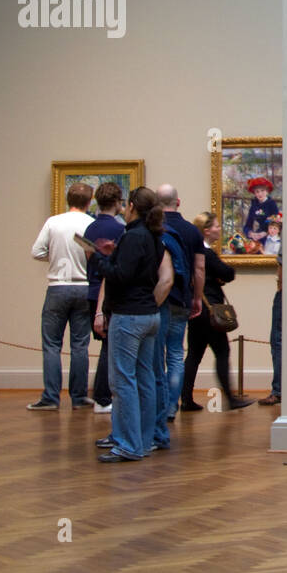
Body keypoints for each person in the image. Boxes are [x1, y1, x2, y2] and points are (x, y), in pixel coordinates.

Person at [92, 186, 173, 462]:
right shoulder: (153, 236)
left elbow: (120, 275)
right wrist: (113, 252)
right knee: (146, 379)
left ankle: (128, 444)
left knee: (123, 381)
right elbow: (139, 270)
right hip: (150, 314)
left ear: (132, 207)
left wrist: (98, 259)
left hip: (129, 316)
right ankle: (145, 440)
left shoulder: (134, 235)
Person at [27, 182, 95, 411]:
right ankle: (79, 398)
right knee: (80, 345)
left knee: (52, 345)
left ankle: (51, 397)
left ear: (68, 199)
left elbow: (36, 251)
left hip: (58, 286)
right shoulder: (92, 224)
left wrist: (55, 258)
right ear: (89, 201)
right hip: (84, 286)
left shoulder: (53, 222)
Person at [183, 212, 255, 411]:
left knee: (194, 355)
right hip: (209, 309)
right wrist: (218, 276)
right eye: (215, 226)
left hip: (197, 310)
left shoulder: (191, 251)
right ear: (206, 230)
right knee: (222, 352)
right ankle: (231, 399)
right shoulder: (206, 253)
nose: (218, 229)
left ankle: (186, 398)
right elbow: (228, 273)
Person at [155, 185, 206, 430]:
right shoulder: (191, 231)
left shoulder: (153, 229)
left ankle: (159, 406)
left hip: (158, 299)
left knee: (156, 355)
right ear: (179, 201)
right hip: (182, 298)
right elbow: (199, 269)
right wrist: (197, 297)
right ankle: (171, 407)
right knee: (176, 354)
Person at [83, 183, 127, 413]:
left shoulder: (90, 229)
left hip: (91, 289)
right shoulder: (121, 230)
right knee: (110, 345)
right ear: (118, 202)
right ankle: (102, 396)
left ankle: (100, 393)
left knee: (105, 345)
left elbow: (88, 258)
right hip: (107, 291)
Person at [259, 248, 283, 406]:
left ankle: (278, 390)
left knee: (278, 341)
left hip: (286, 292)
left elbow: (282, 267)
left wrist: (281, 288)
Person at [243, 177, 279, 242]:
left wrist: (266, 233)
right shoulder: (254, 205)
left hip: (270, 237)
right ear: (254, 193)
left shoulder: (272, 204)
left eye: (262, 190)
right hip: (257, 236)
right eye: (257, 192)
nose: (260, 194)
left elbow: (276, 224)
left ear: (267, 191)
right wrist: (251, 234)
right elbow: (248, 225)